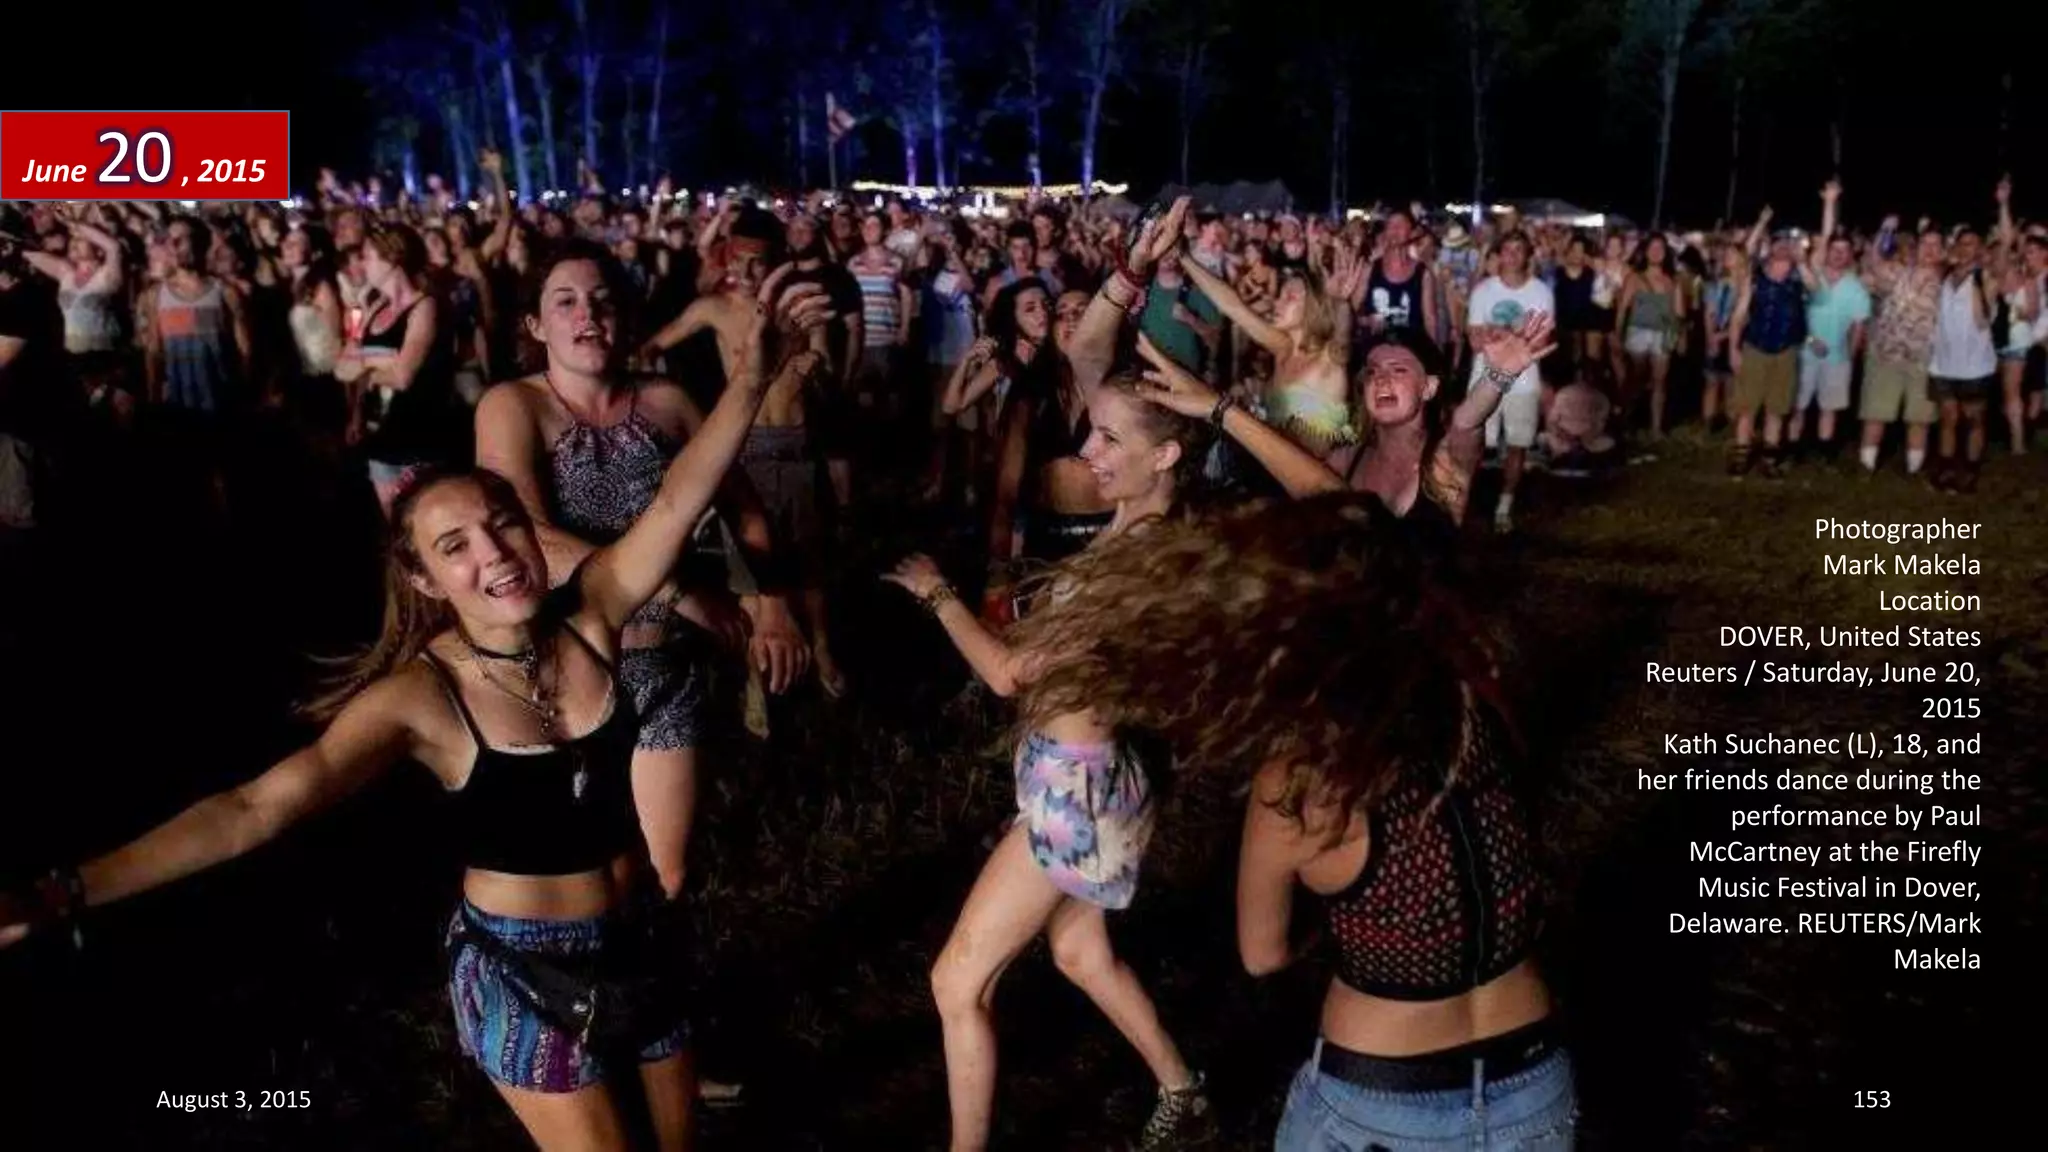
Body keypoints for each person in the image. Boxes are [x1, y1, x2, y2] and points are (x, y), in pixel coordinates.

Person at [0, 267, 831, 1152]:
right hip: (526, 970)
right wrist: (67, 892)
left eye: (504, 523)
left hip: (640, 938)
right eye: (455, 547)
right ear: (425, 579)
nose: (497, 555)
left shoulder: (592, 613)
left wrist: (748, 383)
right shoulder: (423, 702)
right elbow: (254, 810)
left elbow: (678, 498)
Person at [1002, 492, 1572, 1151]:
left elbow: (1263, 953)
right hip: (1536, 1081)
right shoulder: (1479, 702)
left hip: (1379, 1106)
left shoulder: (1305, 779)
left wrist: (1363, 921)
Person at [883, 369, 1220, 1152]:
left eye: (1111, 439)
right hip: (1089, 773)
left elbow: (1009, 675)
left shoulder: (1138, 555)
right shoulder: (1135, 525)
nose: (1088, 452)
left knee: (956, 981)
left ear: (1166, 455)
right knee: (1079, 951)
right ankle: (1183, 1091)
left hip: (1078, 787)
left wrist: (938, 596)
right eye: (1090, 431)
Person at [475, 239, 817, 909]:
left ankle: (643, 993)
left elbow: (745, 511)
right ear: (537, 326)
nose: (588, 314)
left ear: (625, 317)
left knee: (668, 872)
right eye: (566, 301)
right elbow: (531, 535)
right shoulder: (513, 405)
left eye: (603, 300)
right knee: (578, 868)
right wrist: (677, 591)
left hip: (663, 669)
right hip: (566, 672)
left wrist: (772, 606)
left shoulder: (668, 402)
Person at [1465, 232, 1554, 532]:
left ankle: (1504, 507)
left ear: (1528, 255)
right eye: (1507, 250)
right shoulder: (1483, 291)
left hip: (1524, 382)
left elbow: (1543, 338)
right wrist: (1514, 335)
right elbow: (1475, 340)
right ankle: (1466, 501)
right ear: (1499, 254)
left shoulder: (1541, 292)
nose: (1513, 256)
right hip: (1484, 380)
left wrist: (1497, 333)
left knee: (1517, 446)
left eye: (1519, 250)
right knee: (1475, 445)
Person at [1788, 182, 1868, 457]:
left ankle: (1824, 452)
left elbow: (1859, 326)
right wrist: (1829, 203)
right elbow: (1824, 234)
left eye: (1844, 251)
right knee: (1797, 405)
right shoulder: (1816, 274)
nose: (1838, 254)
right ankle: (1793, 449)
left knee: (1828, 408)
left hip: (1837, 357)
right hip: (1805, 350)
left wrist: (1851, 356)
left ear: (1850, 255)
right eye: (1835, 249)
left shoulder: (1856, 287)